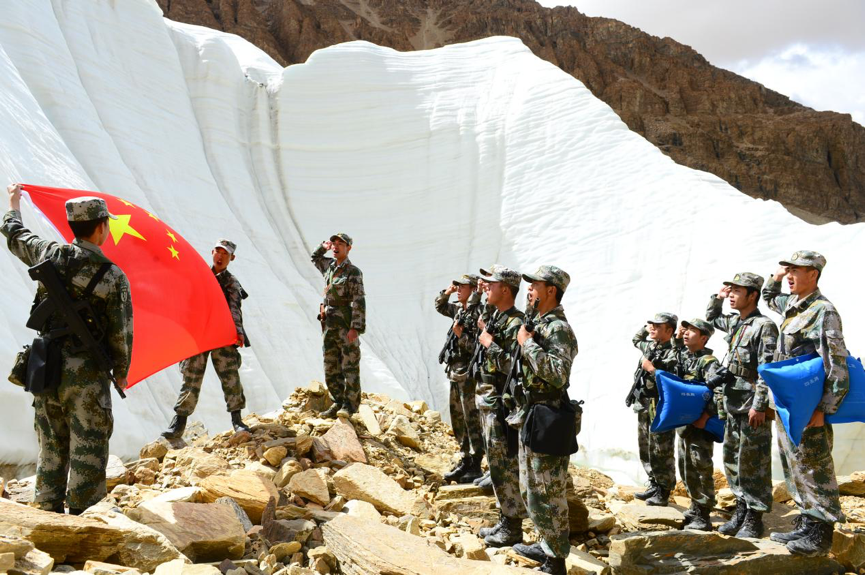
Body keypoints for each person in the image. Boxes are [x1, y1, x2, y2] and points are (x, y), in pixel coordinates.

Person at [2, 184, 133, 514]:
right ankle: (83, 517)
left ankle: (46, 512)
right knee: (88, 446)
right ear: (101, 227)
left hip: (46, 366)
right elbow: (121, 332)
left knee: (51, 443)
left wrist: (13, 204)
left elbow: (14, 233)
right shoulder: (112, 275)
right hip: (86, 373)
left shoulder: (49, 253)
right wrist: (121, 372)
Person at [763, 251, 848, 556]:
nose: (789, 275)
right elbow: (768, 295)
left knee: (814, 466)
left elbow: (836, 363)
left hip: (809, 406)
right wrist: (777, 274)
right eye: (787, 269)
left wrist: (823, 409)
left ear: (813, 274)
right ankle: (806, 523)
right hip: (787, 403)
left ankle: (822, 533)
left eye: (796, 270)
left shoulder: (823, 311)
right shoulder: (792, 305)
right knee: (794, 464)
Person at [511, 266, 578, 575]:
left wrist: (528, 344)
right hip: (531, 413)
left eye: (535, 286)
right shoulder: (538, 322)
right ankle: (545, 543)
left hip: (549, 415)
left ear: (551, 290)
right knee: (531, 488)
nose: (529, 291)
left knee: (548, 490)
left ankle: (556, 560)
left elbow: (557, 373)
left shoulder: (559, 329)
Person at [706, 272, 778, 538]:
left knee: (753, 462)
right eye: (731, 290)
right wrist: (717, 298)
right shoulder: (737, 322)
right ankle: (740, 511)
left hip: (751, 405)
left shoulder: (764, 326)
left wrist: (760, 405)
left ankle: (754, 518)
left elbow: (767, 369)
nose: (732, 294)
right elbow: (712, 319)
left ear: (753, 295)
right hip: (733, 403)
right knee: (733, 460)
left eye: (738, 290)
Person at [163, 239, 251, 438]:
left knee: (230, 377)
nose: (220, 256)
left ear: (232, 258)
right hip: (200, 334)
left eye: (225, 254)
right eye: (218, 252)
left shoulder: (231, 282)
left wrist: (237, 333)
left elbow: (234, 309)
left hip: (222, 335)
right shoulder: (200, 274)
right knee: (191, 377)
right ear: (212, 252)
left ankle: (237, 420)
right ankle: (178, 424)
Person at [474, 267, 527, 547]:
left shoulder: (515, 322)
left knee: (504, 464)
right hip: (489, 398)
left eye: (491, 285)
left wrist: (490, 345)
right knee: (495, 462)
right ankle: (505, 519)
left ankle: (512, 525)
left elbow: (514, 366)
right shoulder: (497, 316)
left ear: (506, 289)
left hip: (502, 402)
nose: (486, 287)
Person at [668, 318, 722, 531]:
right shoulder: (686, 357)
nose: (687, 333)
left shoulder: (708, 361)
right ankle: (695, 504)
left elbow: (718, 391)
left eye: (693, 331)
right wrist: (677, 337)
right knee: (686, 466)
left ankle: (704, 512)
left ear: (704, 338)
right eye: (686, 329)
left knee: (700, 466)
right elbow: (674, 354)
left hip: (700, 426)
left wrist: (707, 416)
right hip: (685, 426)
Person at [435, 274, 484, 483]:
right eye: (457, 286)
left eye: (462, 287)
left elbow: (478, 347)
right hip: (455, 372)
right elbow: (439, 306)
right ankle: (465, 457)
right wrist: (447, 291)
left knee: (470, 417)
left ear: (473, 289)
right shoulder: (459, 309)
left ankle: (475, 461)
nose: (458, 290)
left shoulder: (478, 313)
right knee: (458, 417)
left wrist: (460, 335)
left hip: (468, 373)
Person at [311, 233, 366, 418]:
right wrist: (323, 246)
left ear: (348, 248)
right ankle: (338, 401)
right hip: (329, 322)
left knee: (349, 365)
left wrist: (355, 328)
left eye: (340, 244)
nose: (336, 246)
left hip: (345, 321)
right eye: (334, 243)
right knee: (331, 364)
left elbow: (359, 300)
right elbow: (315, 258)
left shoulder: (353, 271)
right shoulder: (329, 266)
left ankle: (350, 406)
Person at [631, 312, 680, 506]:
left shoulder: (674, 352)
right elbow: (636, 339)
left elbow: (672, 377)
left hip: (661, 404)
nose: (652, 328)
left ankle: (664, 488)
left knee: (662, 448)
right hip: (644, 403)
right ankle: (653, 482)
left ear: (669, 330)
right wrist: (647, 327)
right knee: (646, 445)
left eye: (658, 326)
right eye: (651, 325)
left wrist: (651, 369)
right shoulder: (650, 345)